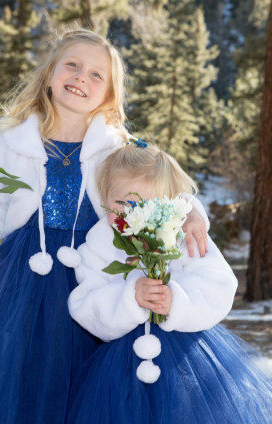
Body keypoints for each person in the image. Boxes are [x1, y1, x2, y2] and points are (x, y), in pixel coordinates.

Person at [0, 28, 208, 424]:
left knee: (93, 386)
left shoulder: (119, 150)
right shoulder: (6, 145)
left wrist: (188, 209)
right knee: (23, 381)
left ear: (109, 95)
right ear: (50, 74)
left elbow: (163, 189)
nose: (81, 76)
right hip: (20, 285)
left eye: (96, 74)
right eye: (72, 64)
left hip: (98, 275)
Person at [67, 143, 272, 424]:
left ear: (165, 201)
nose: (131, 213)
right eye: (120, 203)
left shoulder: (180, 233)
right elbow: (84, 304)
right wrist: (130, 298)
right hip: (120, 368)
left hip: (185, 358)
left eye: (144, 203)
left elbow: (219, 283)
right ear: (104, 197)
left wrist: (177, 299)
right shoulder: (99, 243)